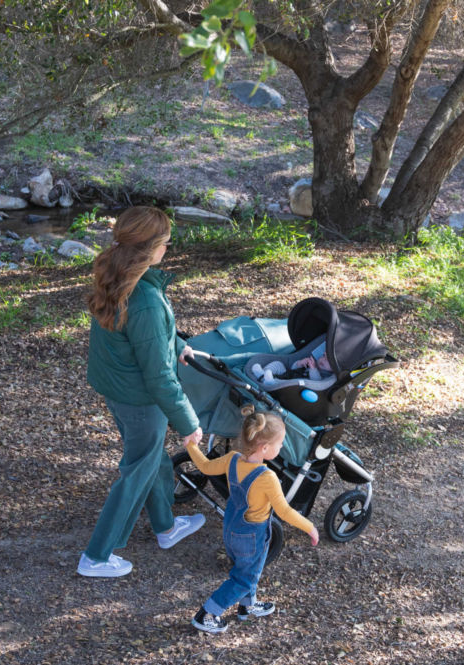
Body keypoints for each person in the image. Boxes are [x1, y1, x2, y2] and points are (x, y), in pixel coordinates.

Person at [78, 206, 205, 578]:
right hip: (140, 399)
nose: (168, 248)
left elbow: (140, 336)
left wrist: (177, 341)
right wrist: (189, 423)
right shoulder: (145, 298)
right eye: (165, 243)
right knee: (137, 470)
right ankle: (97, 556)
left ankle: (166, 527)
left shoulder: (118, 276)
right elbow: (160, 377)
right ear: (149, 249)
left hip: (118, 389)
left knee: (152, 459)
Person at [184, 407, 319, 633]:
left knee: (251, 569)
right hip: (252, 534)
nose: (282, 446)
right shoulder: (267, 478)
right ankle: (207, 614)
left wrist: (191, 445)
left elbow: (206, 466)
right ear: (264, 448)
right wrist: (310, 527)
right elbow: (284, 511)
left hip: (232, 528)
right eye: (280, 443)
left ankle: (247, 606)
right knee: (243, 578)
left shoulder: (232, 459)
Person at [250, 345, 333, 386]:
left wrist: (313, 369)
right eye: (323, 356)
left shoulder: (326, 377)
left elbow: (317, 383)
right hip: (288, 374)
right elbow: (293, 369)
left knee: (289, 382)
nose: (324, 360)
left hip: (293, 385)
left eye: (328, 361)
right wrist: (299, 363)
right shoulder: (312, 363)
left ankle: (271, 382)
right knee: (279, 365)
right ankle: (262, 374)